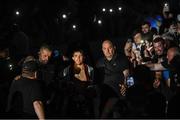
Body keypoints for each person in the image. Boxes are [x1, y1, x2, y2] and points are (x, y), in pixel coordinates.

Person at [96, 40, 129, 118]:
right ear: (102, 50)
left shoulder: (121, 59)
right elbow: (97, 80)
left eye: (109, 48)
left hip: (118, 93)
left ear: (114, 48)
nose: (107, 51)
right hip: (104, 94)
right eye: (104, 48)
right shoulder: (99, 62)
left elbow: (127, 76)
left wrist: (125, 85)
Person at [61, 48, 95, 118]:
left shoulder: (90, 69)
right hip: (72, 103)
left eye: (80, 56)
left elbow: (92, 86)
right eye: (76, 56)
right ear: (73, 58)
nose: (78, 58)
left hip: (86, 103)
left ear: (84, 57)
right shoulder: (67, 71)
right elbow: (64, 87)